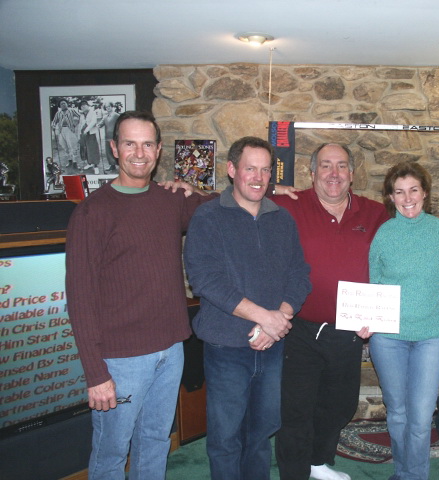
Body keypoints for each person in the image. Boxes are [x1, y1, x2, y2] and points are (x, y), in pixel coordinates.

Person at [65, 110, 216, 479]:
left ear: (159, 150)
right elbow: (80, 299)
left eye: (147, 144)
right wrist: (96, 374)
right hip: (121, 362)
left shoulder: (170, 200)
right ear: (114, 148)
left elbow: (225, 206)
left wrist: (272, 191)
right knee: (112, 452)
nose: (139, 153)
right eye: (130, 143)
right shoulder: (92, 213)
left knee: (156, 441)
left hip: (171, 351)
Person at [183, 136, 311, 480]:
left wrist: (280, 318)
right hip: (226, 348)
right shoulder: (208, 217)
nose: (258, 178)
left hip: (272, 348)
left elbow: (299, 274)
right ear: (231, 169)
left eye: (265, 170)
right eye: (250, 169)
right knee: (226, 438)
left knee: (261, 434)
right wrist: (265, 318)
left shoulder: (282, 219)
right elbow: (205, 280)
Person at [273, 143, 389, 480]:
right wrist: (270, 187)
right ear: (312, 173)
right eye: (325, 165)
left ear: (352, 173)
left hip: (348, 330)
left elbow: (403, 239)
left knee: (340, 405)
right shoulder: (289, 204)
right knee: (296, 409)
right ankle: (294, 473)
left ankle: (317, 461)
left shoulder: (375, 213)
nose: (333, 174)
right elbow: (243, 193)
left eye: (341, 166)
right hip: (298, 328)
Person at [368, 162, 439, 479]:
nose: (407, 198)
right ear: (391, 197)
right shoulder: (384, 235)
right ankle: (403, 472)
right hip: (388, 338)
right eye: (399, 192)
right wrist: (367, 318)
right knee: (397, 413)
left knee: (420, 417)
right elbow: (374, 283)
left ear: (425, 193)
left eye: (413, 190)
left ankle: (414, 476)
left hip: (431, 336)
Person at [51, 99, 81, 169]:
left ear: (67, 104)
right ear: (60, 106)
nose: (63, 105)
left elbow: (79, 117)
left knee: (72, 146)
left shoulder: (72, 110)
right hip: (61, 131)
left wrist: (75, 124)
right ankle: (70, 161)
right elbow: (54, 121)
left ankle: (75, 162)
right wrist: (53, 126)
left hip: (70, 130)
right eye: (61, 104)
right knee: (64, 146)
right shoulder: (58, 113)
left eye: (64, 103)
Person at [79, 101, 101, 172]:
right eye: (81, 106)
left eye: (84, 105)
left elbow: (93, 122)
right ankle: (89, 163)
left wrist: (86, 130)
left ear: (88, 106)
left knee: (93, 149)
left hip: (91, 133)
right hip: (83, 134)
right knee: (85, 149)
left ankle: (95, 166)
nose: (83, 107)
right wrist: (80, 133)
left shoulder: (92, 112)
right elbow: (81, 124)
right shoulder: (82, 115)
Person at [99, 102, 120, 171]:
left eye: (109, 106)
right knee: (108, 152)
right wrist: (98, 125)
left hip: (115, 137)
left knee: (117, 152)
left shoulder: (116, 115)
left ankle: (121, 166)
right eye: (106, 107)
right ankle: (112, 166)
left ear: (112, 107)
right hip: (107, 137)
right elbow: (101, 124)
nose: (108, 108)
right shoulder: (105, 117)